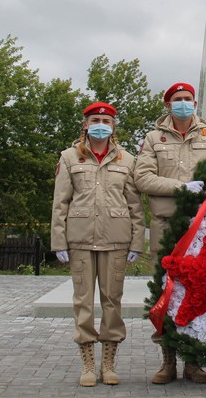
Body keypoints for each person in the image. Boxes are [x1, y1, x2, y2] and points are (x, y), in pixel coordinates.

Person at [134, 82, 206, 384]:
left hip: (200, 225)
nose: (183, 103)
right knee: (166, 290)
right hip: (166, 223)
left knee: (197, 289)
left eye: (188, 99)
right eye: (177, 99)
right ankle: (168, 361)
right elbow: (143, 178)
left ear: (195, 103)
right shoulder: (153, 138)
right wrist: (180, 187)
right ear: (168, 105)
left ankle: (193, 361)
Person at [51, 102, 145, 387]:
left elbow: (135, 206)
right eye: (95, 120)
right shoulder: (69, 157)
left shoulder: (127, 160)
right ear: (85, 125)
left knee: (112, 302)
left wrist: (136, 243)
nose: (100, 124)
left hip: (116, 239)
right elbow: (60, 203)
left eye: (106, 120)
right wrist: (59, 241)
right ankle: (88, 363)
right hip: (79, 238)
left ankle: (109, 362)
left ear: (113, 126)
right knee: (83, 303)